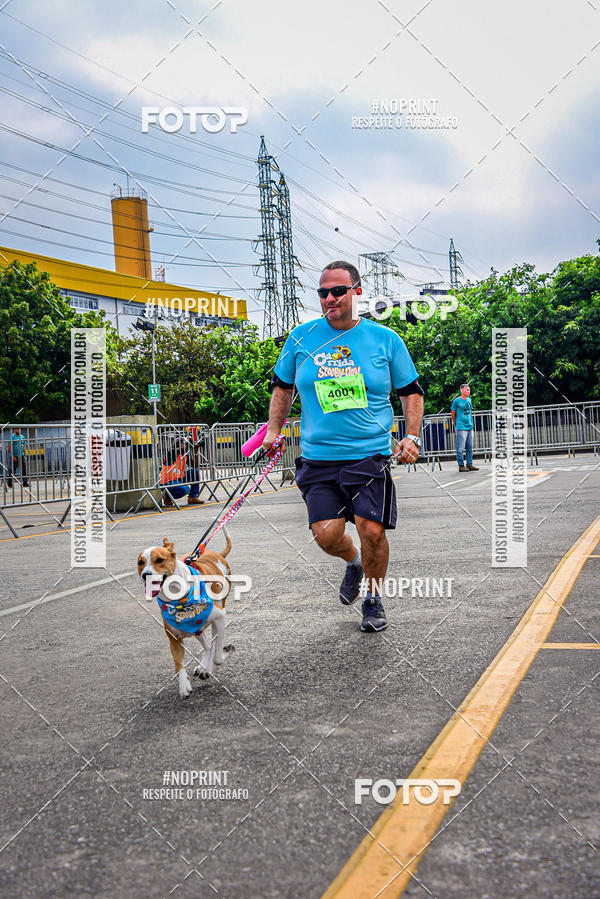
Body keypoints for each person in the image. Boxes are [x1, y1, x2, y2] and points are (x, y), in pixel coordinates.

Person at [263, 260, 424, 633]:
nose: (330, 298)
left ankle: (372, 597)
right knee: (327, 535)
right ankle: (353, 563)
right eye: (323, 292)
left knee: (372, 530)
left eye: (338, 291)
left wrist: (412, 436)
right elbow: (283, 386)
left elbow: (411, 392)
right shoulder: (301, 338)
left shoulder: (385, 340)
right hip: (319, 458)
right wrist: (274, 430)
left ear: (357, 292)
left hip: (369, 455)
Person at [160, 429, 205, 506]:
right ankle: (167, 496)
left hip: (179, 479)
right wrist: (186, 439)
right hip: (168, 481)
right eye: (183, 444)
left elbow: (195, 466)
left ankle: (192, 497)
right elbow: (177, 449)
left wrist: (195, 450)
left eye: (185, 444)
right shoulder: (171, 453)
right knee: (185, 489)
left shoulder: (185, 455)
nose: (185, 445)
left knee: (195, 472)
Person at [451, 383, 479, 472]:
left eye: (469, 389)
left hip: (469, 426)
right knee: (460, 448)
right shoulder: (456, 401)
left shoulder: (469, 400)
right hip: (461, 426)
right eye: (467, 389)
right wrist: (454, 423)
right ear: (462, 390)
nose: (469, 391)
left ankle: (469, 464)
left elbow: (470, 411)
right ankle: (461, 465)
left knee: (470, 447)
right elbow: (453, 413)